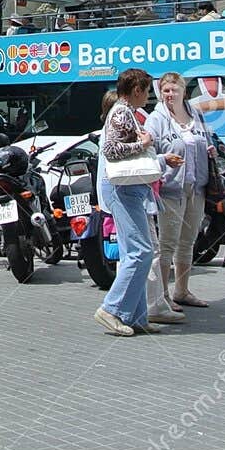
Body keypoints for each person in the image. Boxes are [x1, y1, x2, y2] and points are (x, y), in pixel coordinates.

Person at [93, 69, 160, 337]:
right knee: (140, 251)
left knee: (138, 249)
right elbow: (111, 149)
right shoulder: (122, 112)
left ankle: (136, 316)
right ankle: (112, 309)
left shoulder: (122, 111)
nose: (148, 96)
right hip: (123, 188)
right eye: (146, 90)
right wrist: (142, 144)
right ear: (136, 90)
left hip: (127, 188)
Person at [146, 71, 211, 314]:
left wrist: (211, 150)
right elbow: (149, 149)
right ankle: (162, 294)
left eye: (174, 90)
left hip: (197, 186)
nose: (170, 94)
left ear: (184, 91)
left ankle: (182, 290)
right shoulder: (157, 118)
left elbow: (205, 141)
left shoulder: (196, 114)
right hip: (170, 188)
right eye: (165, 90)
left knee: (188, 240)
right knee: (168, 243)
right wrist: (164, 159)